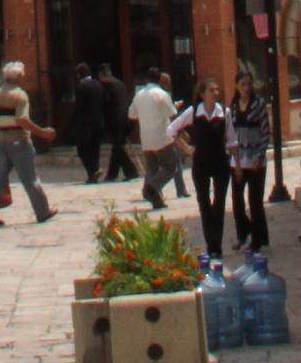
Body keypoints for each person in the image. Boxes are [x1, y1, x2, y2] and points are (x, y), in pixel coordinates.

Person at [0, 61, 56, 224]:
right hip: (19, 141)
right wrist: (42, 132)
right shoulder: (20, 95)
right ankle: (42, 212)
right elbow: (22, 119)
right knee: (30, 179)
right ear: (19, 77)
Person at [185, 77, 232, 263]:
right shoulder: (194, 112)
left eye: (217, 90)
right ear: (202, 94)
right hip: (201, 163)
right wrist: (188, 149)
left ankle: (217, 246)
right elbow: (172, 130)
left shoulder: (224, 112)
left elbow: (232, 138)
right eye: (211, 90)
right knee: (204, 204)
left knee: (219, 204)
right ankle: (210, 245)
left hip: (220, 162)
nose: (215, 93)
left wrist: (235, 162)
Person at [227, 64, 271, 252]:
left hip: (255, 158)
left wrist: (260, 156)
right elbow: (230, 132)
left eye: (249, 84)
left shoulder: (258, 104)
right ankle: (243, 233)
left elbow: (265, 131)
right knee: (237, 202)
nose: (246, 88)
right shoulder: (234, 106)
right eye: (243, 84)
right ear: (237, 86)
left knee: (255, 201)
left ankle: (259, 240)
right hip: (238, 159)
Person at [130, 68, 179, 206]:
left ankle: (156, 200)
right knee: (171, 166)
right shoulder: (162, 94)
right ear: (159, 80)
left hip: (146, 138)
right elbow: (172, 113)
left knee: (152, 168)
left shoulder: (139, 95)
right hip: (162, 138)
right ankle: (151, 187)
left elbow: (131, 114)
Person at [94, 62, 135, 180]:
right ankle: (112, 174)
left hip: (116, 121)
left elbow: (104, 103)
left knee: (118, 146)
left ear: (101, 74)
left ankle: (131, 171)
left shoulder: (105, 84)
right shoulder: (119, 82)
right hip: (126, 118)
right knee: (117, 146)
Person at [67, 62, 107, 183]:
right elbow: (105, 101)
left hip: (86, 124)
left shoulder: (81, 87)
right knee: (95, 149)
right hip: (99, 122)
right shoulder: (98, 84)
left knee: (82, 149)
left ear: (79, 75)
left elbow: (79, 107)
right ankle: (94, 173)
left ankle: (93, 171)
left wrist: (73, 122)